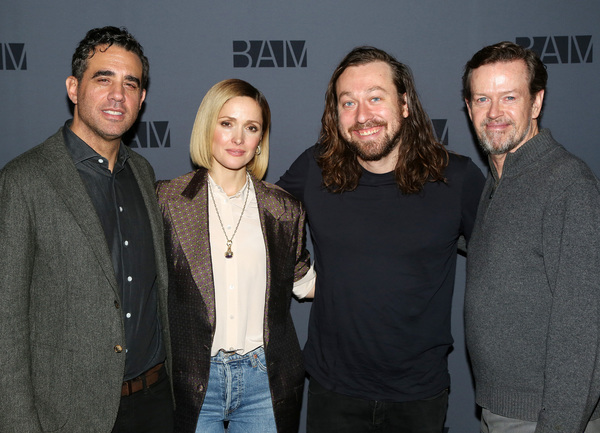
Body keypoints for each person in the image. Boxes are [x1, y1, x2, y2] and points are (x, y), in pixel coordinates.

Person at [277, 46, 485, 432]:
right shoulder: (314, 167)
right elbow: (259, 217)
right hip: (332, 391)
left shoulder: (456, 179)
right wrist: (301, 276)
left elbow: (504, 263)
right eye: (348, 102)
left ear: (404, 104)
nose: (362, 116)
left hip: (419, 396)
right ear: (335, 114)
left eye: (375, 97)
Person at [0, 26, 173, 433]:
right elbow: (6, 323)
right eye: (103, 79)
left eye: (131, 83)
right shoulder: (25, 180)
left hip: (155, 403)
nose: (119, 95)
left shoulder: (144, 173)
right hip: (68, 413)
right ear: (73, 88)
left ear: (142, 98)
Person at [157, 78, 315, 433]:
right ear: (208, 127)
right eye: (227, 123)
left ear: (261, 141)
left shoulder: (283, 209)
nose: (238, 138)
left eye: (251, 127)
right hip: (193, 377)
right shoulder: (167, 201)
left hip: (265, 379)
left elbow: (304, 282)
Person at [463, 41, 600, 433]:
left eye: (509, 97)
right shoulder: (499, 182)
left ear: (536, 103)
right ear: (469, 107)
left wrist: (556, 425)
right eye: (482, 99)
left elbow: (584, 330)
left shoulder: (568, 185)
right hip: (501, 409)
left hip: (547, 418)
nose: (494, 113)